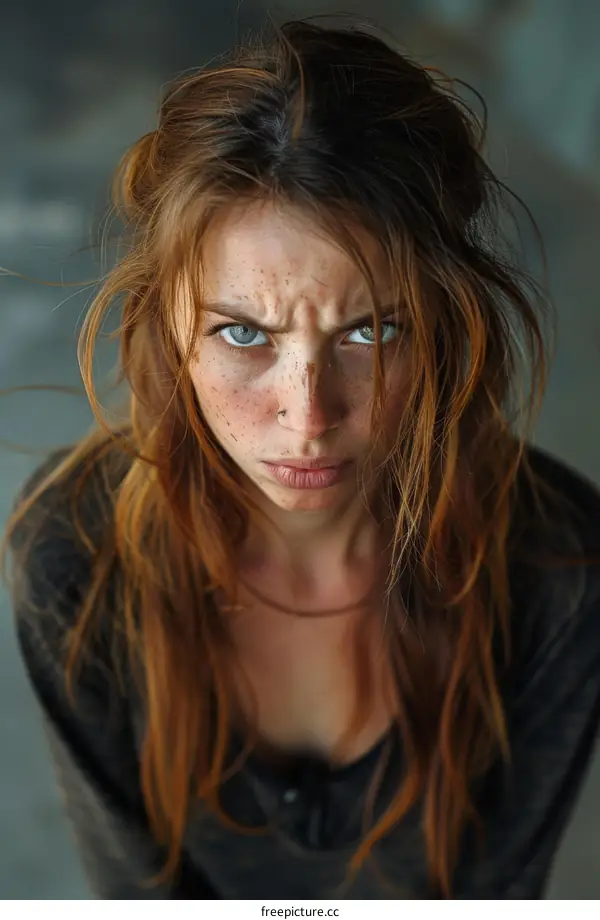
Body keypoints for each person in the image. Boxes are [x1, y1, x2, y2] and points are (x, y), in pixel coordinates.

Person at [2, 17, 600, 901]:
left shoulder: (560, 569)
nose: (309, 418)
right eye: (243, 333)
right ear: (168, 325)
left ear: (444, 328)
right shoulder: (77, 555)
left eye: (372, 331)